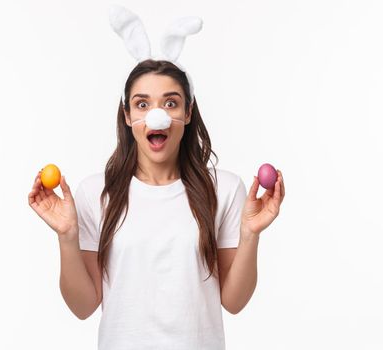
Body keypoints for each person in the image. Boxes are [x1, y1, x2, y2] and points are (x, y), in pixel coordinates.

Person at [28, 58, 286, 349]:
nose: (156, 116)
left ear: (188, 112)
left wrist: (251, 234)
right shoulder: (96, 192)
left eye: (170, 103)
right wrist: (67, 237)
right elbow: (83, 306)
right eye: (142, 104)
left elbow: (234, 302)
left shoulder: (223, 188)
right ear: (127, 116)